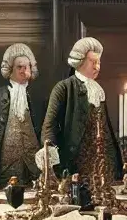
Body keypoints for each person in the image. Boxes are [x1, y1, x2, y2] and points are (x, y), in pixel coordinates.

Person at [40, 36, 122, 184]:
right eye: (93, 62)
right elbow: (49, 126)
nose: (97, 67)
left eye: (99, 62)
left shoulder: (98, 90)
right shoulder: (63, 88)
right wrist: (51, 163)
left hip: (104, 168)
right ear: (79, 61)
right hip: (75, 167)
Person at [0, 43, 45, 187]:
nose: (24, 70)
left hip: (34, 169)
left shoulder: (38, 98)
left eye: (27, 66)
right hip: (4, 168)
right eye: (19, 67)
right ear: (10, 69)